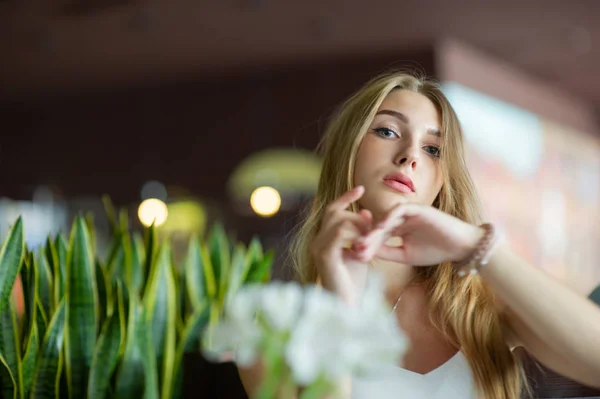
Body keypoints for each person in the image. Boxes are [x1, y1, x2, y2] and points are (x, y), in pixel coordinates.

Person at [238, 71, 600, 398]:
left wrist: (475, 245)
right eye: (387, 131)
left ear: (443, 180)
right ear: (347, 151)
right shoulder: (273, 325)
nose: (410, 155)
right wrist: (340, 306)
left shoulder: (479, 305)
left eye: (433, 149)